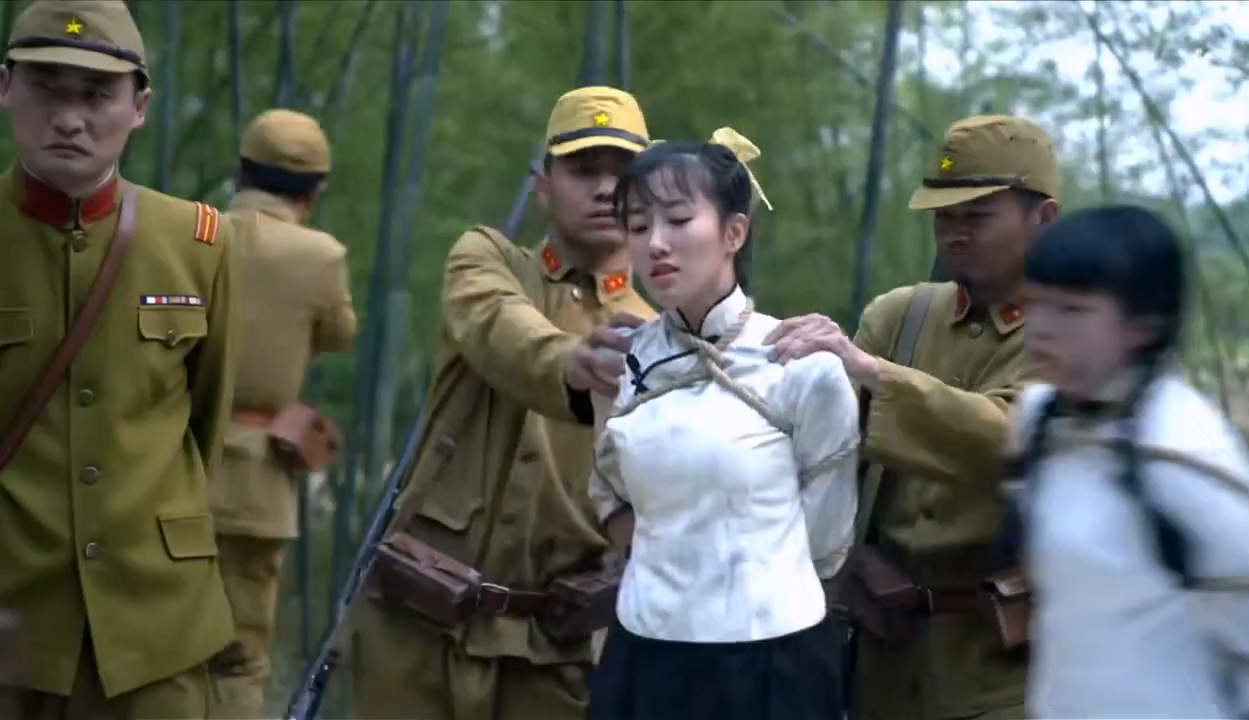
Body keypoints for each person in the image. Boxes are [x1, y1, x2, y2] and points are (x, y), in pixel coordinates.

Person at [348, 86, 657, 720]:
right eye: (583, 169)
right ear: (543, 184)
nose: (605, 189)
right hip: (419, 628)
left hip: (551, 654)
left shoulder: (660, 334)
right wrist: (572, 364)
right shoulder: (487, 260)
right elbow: (499, 327)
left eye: (622, 173)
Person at [765, 114, 1061, 720]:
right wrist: (851, 559)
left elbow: (1010, 434)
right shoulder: (900, 317)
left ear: (1045, 217)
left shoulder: (1070, 329)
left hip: (1004, 668)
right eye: (943, 217)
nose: (954, 233)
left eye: (977, 216)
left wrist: (872, 372)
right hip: (884, 656)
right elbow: (825, 452)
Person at [0, 0, 237, 717]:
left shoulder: (198, 242)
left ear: (139, 107)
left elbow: (204, 423)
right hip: (12, 619)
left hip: (155, 628)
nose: (70, 118)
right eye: (47, 88)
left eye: (97, 94)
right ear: (6, 87)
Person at [586, 129, 858, 720]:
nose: (656, 243)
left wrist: (750, 587)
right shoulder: (625, 362)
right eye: (639, 226)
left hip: (772, 659)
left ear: (734, 232)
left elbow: (826, 539)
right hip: (644, 652)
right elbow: (610, 488)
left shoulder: (800, 365)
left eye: (679, 220)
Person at [1010, 205, 1249, 719]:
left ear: (1142, 325)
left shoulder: (1184, 450)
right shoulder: (1037, 419)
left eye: (1071, 310)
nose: (1040, 327)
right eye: (1034, 303)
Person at [206, 108, 357, 719]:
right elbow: (340, 333)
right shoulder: (320, 256)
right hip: (253, 485)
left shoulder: (189, 233)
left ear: (241, 172)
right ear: (314, 193)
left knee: (147, 646)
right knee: (237, 658)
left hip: (164, 464)